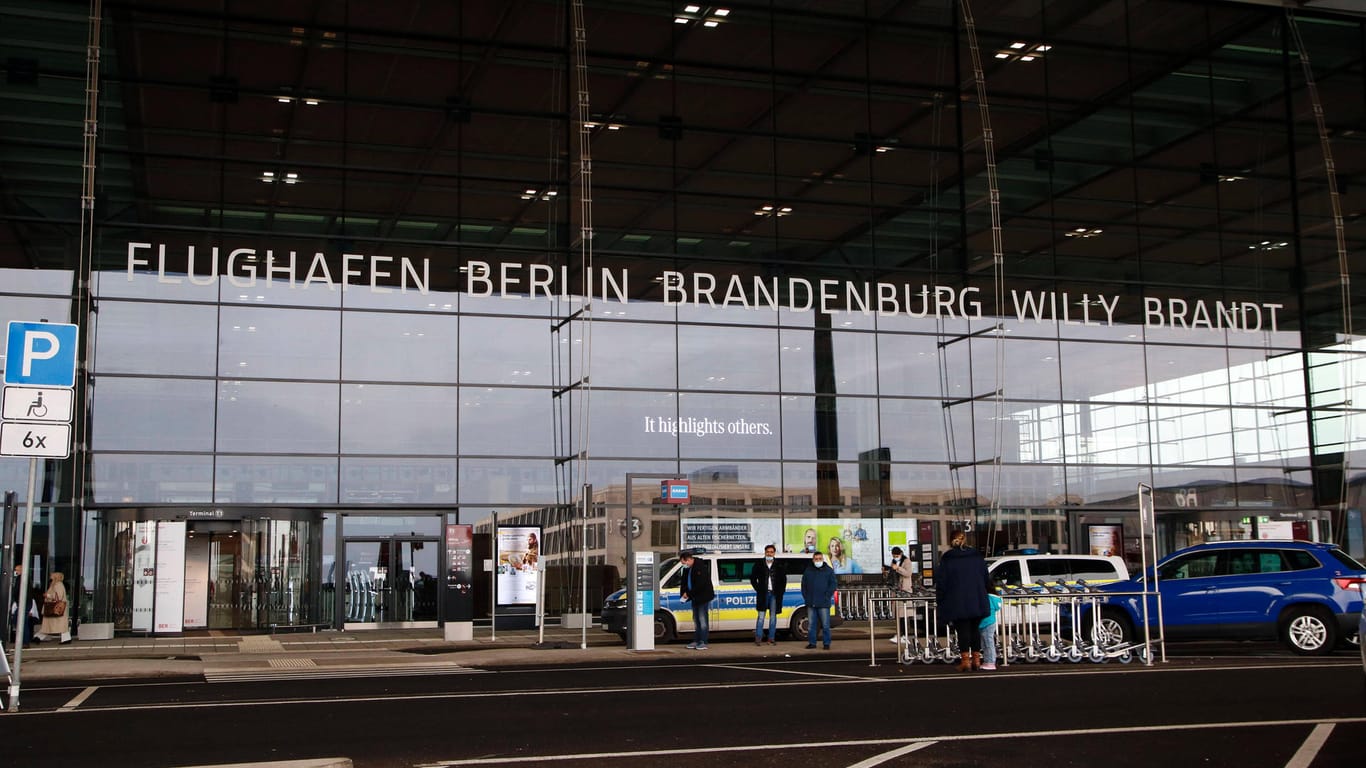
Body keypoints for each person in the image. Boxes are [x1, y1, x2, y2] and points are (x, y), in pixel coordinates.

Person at [935, 529, 990, 671]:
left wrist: (941, 600)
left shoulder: (948, 558)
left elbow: (942, 582)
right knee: (975, 630)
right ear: (964, 539)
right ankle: (977, 660)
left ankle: (965, 661)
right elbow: (986, 578)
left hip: (958, 599)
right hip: (977, 599)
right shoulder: (976, 556)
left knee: (963, 630)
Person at [801, 550, 837, 650]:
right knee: (811, 625)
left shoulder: (829, 570)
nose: (818, 561)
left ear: (822, 559)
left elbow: (833, 585)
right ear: (813, 560)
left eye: (819, 559)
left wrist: (827, 596)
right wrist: (806, 597)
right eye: (816, 559)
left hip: (824, 602)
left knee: (825, 625)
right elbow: (804, 585)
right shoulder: (808, 571)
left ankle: (826, 643)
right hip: (811, 602)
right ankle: (812, 643)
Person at [749, 544, 785, 646]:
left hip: (774, 595)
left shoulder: (779, 565)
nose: (769, 553)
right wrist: (758, 589)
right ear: (765, 552)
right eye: (768, 552)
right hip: (763, 594)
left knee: (773, 617)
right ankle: (758, 638)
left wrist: (780, 592)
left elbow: (783, 580)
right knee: (761, 617)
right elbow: (752, 578)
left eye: (771, 552)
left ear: (774, 553)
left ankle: (771, 638)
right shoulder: (759, 564)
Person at [678, 551, 714, 650]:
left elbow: (700, 585)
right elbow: (684, 582)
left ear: (689, 560)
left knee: (702, 620)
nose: (684, 565)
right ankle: (697, 640)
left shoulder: (700, 567)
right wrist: (684, 594)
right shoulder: (687, 569)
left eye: (684, 563)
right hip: (694, 597)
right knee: (696, 620)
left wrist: (688, 593)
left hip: (702, 597)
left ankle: (703, 641)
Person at [884, 546, 916, 644]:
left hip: (904, 591)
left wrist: (898, 568)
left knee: (903, 615)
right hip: (897, 591)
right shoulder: (893, 562)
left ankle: (904, 635)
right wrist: (886, 572)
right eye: (894, 556)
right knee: (899, 615)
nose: (895, 557)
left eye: (897, 555)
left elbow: (908, 573)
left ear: (901, 554)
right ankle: (900, 635)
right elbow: (891, 576)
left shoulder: (907, 561)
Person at [35, 571, 72, 645]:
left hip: (56, 608)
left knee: (51, 624)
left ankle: (38, 637)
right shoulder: (56, 584)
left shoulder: (58, 585)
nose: (50, 576)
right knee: (54, 625)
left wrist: (48, 595)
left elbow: (59, 596)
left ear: (55, 576)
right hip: (56, 608)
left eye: (52, 575)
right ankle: (38, 637)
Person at [980, 585, 1004, 671]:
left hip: (985, 622)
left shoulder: (986, 597)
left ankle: (990, 661)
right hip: (991, 621)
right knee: (987, 642)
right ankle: (988, 661)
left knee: (987, 642)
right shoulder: (995, 597)